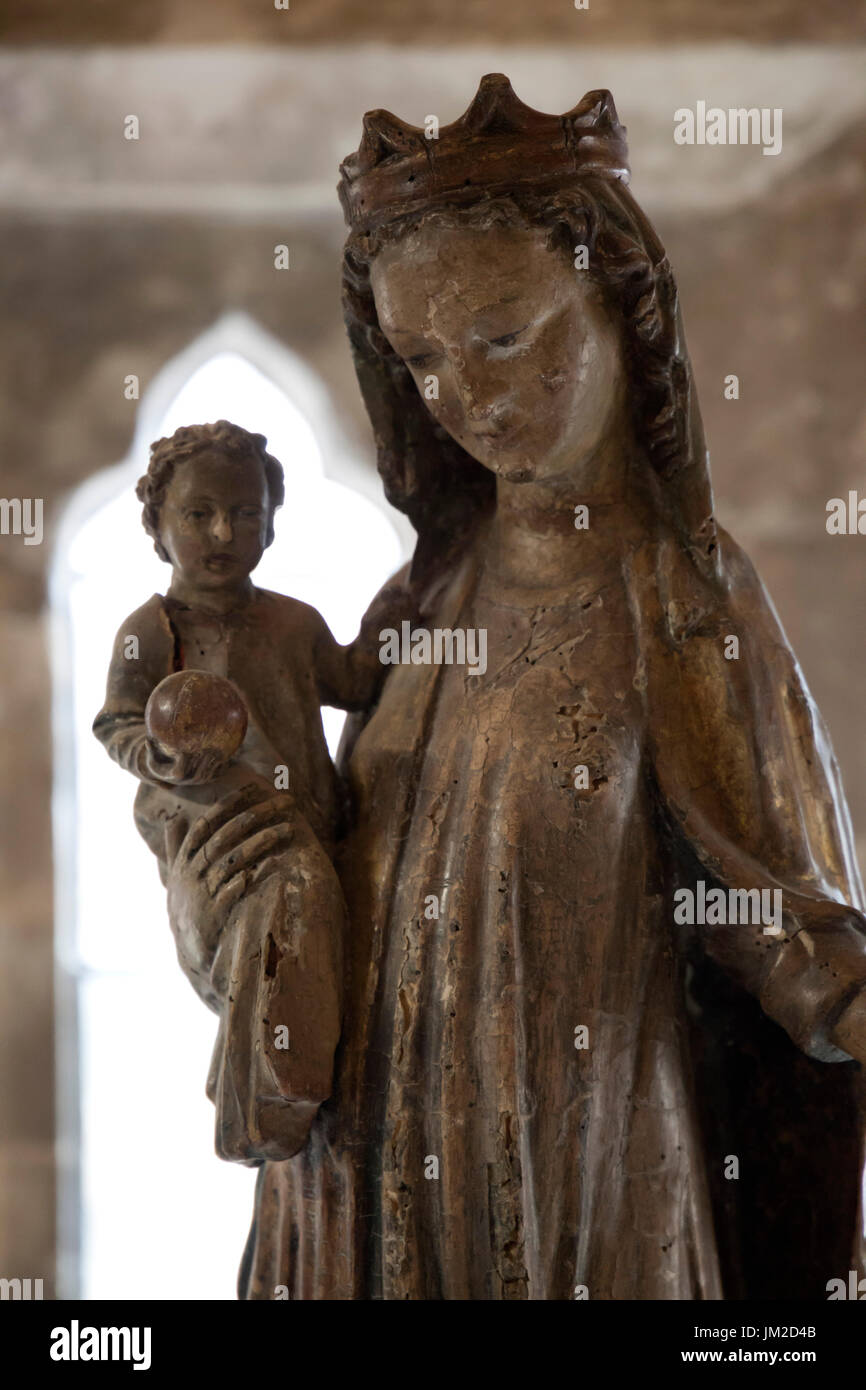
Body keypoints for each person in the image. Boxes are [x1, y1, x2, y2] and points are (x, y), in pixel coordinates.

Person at [163, 81, 866, 1300]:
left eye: (502, 337)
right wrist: (232, 849)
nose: (464, 399)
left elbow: (779, 919)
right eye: (421, 359)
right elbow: (323, 857)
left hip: (570, 1166)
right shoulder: (420, 600)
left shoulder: (677, 599)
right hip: (353, 1177)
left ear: (619, 309)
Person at [93, 419, 404, 1162]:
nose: (224, 532)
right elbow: (116, 724)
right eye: (198, 514)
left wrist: (391, 629)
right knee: (282, 902)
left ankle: (261, 1083)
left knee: (298, 918)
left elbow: (353, 681)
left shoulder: (293, 622)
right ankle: (266, 1089)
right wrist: (165, 756)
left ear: (271, 527)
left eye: (247, 515)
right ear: (158, 527)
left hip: (304, 818)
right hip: (209, 822)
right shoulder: (150, 629)